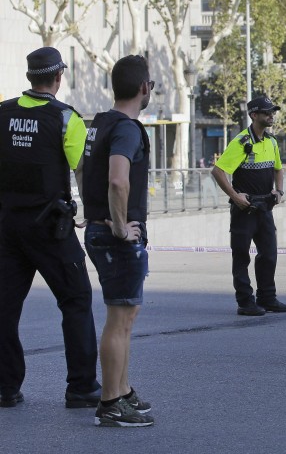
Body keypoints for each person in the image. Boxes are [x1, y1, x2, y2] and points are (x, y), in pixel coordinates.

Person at [0, 47, 101, 410]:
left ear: (30, 78)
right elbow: (82, 169)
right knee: (76, 300)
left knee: (4, 308)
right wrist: (90, 210)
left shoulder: (2, 114)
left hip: (8, 227)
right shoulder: (65, 119)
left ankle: (5, 387)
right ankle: (82, 387)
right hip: (50, 227)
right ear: (59, 77)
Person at [82, 54, 154, 427]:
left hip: (100, 229)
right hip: (115, 238)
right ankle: (110, 403)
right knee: (119, 318)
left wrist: (92, 212)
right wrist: (120, 227)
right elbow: (117, 179)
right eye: (151, 85)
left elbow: (81, 167)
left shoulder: (100, 123)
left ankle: (122, 391)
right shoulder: (126, 128)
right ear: (143, 89)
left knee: (126, 315)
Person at [211, 96, 286, 316]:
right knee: (241, 256)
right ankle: (245, 302)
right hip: (244, 210)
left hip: (265, 207)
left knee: (269, 254)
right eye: (266, 112)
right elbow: (218, 171)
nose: (271, 116)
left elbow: (278, 169)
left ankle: (267, 298)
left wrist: (279, 190)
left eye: (272, 112)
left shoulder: (271, 141)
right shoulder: (241, 142)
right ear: (253, 115)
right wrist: (235, 196)